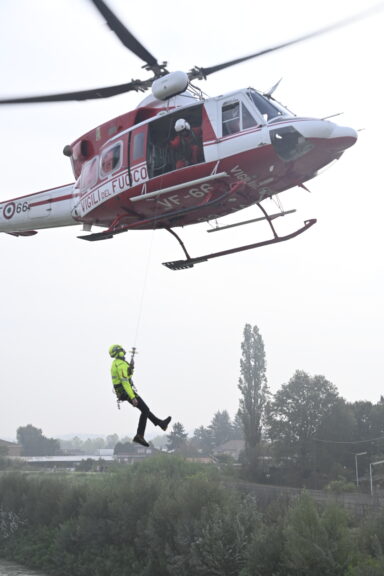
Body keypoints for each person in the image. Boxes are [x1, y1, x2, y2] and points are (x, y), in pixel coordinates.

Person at [109, 344, 171, 447]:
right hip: (126, 391)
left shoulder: (117, 363)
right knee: (145, 410)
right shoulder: (121, 365)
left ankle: (161, 424)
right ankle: (139, 435)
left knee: (145, 410)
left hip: (123, 392)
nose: (123, 351)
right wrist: (132, 397)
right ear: (119, 352)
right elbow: (125, 382)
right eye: (121, 350)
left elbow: (127, 376)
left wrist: (131, 369)